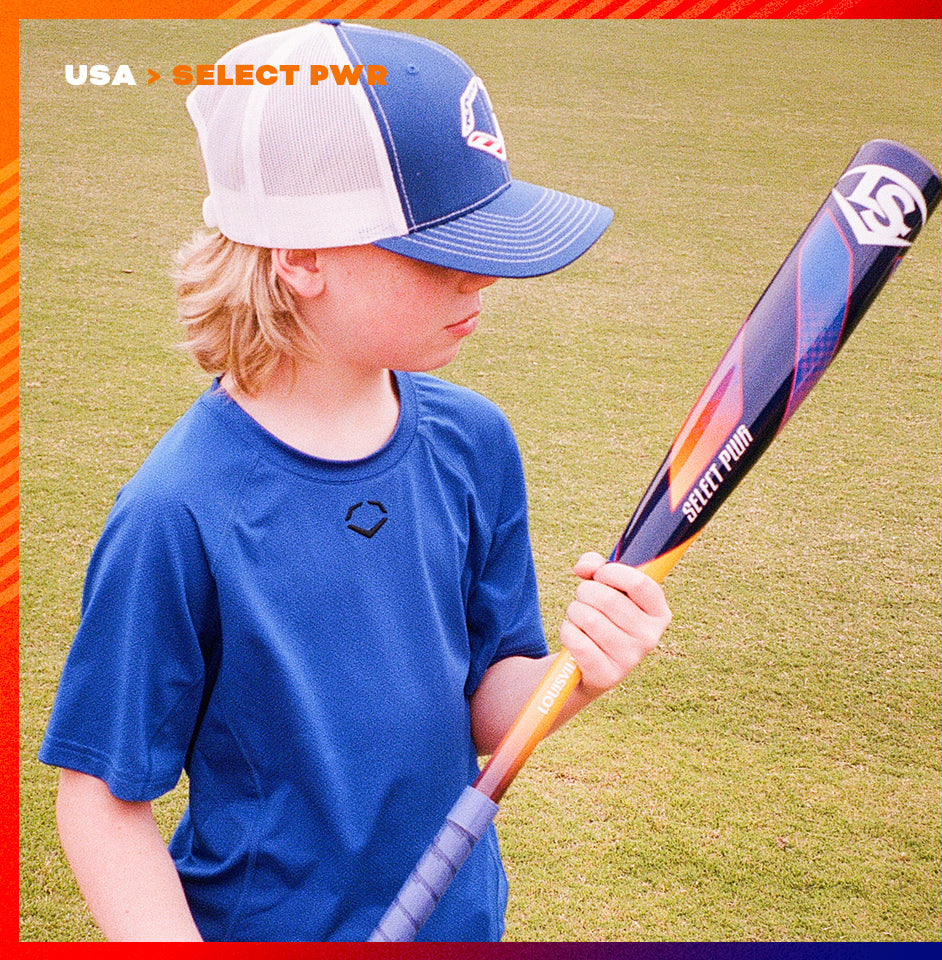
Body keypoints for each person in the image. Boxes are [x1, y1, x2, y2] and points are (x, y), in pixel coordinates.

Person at [39, 20, 671, 942]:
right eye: (440, 251)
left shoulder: (472, 443)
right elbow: (101, 797)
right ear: (299, 257)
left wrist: (578, 674)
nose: (483, 280)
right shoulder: (178, 511)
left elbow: (488, 704)